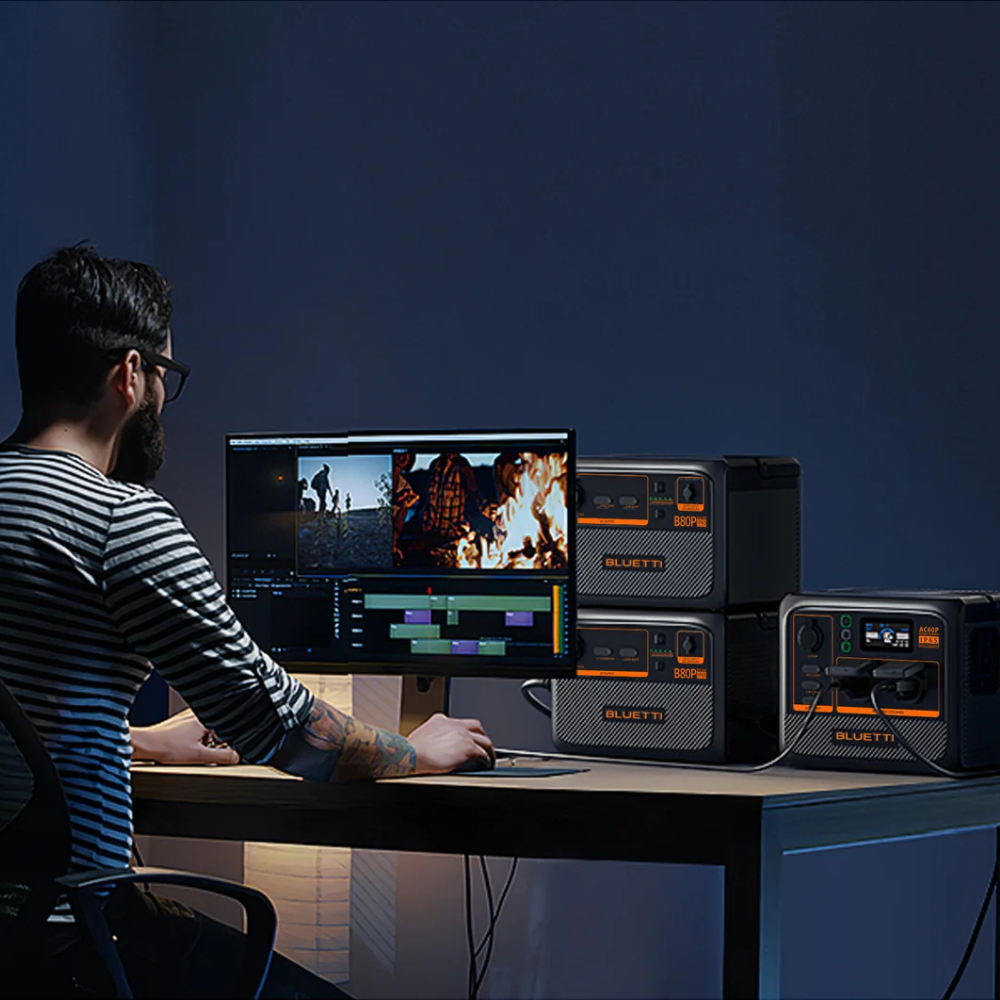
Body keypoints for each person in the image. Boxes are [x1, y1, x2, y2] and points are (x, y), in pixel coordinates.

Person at [0, 246, 494, 998]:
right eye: (168, 372)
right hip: (74, 940)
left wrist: (135, 739)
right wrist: (415, 751)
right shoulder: (117, 520)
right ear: (129, 374)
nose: (164, 391)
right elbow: (280, 726)